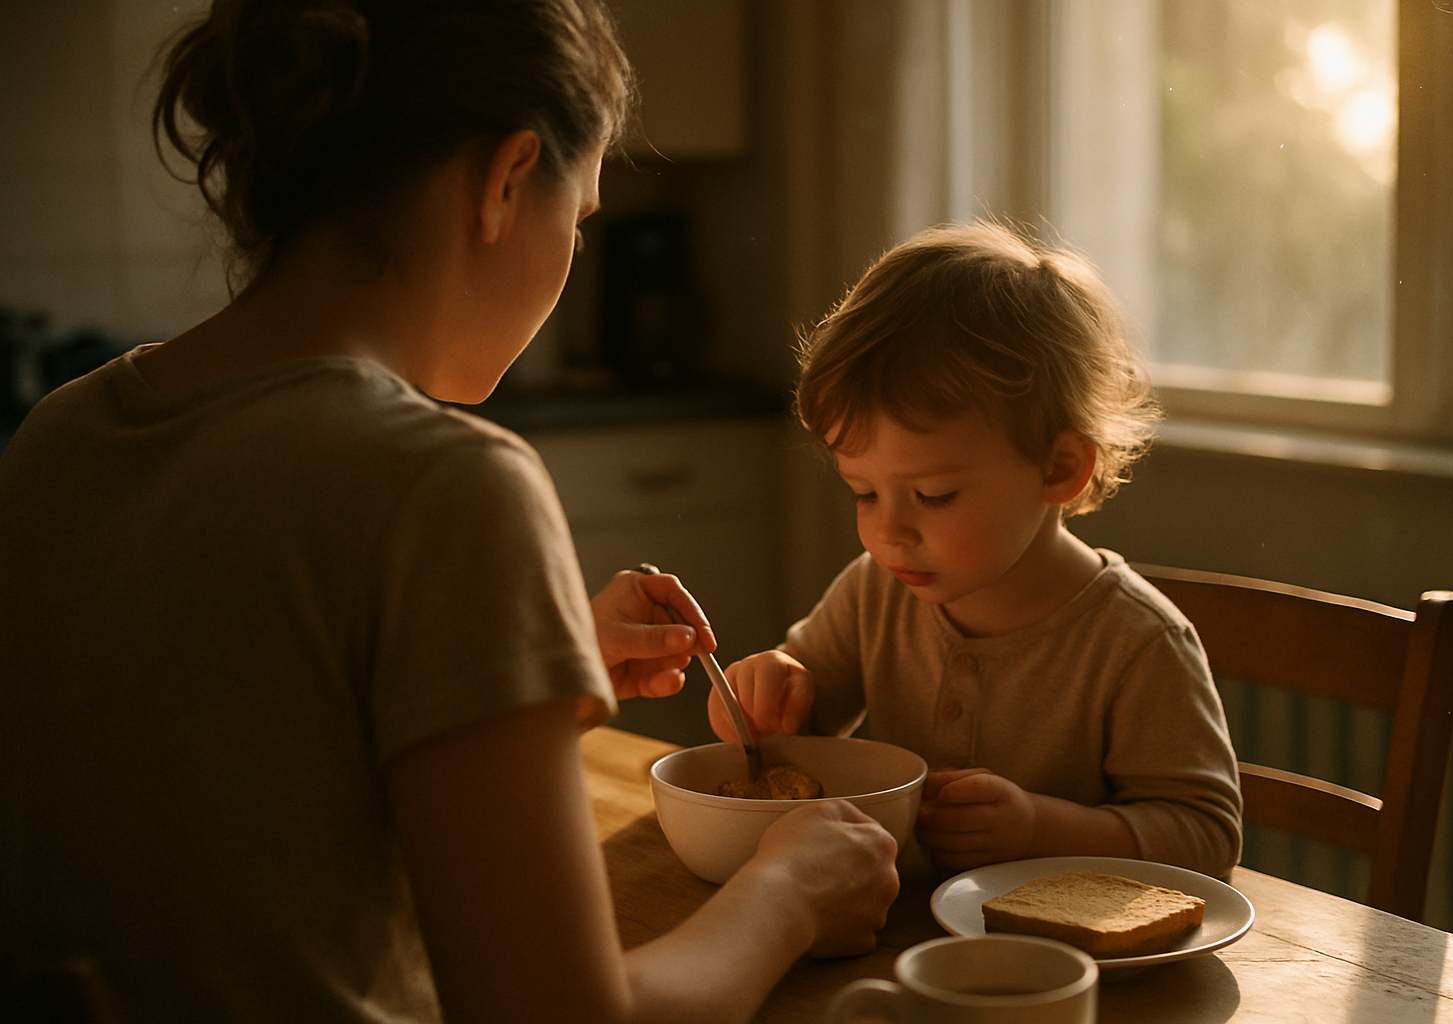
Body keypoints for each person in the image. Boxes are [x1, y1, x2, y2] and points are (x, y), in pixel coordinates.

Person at [0, 3, 900, 1023]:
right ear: (507, 180)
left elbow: (221, 800)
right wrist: (785, 891)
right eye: (584, 215)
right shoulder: (447, 486)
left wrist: (498, 670)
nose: (572, 252)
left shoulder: (56, 439)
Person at [709, 222, 1243, 880]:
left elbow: (1207, 837)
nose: (889, 533)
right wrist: (767, 694)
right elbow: (803, 724)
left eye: (933, 495)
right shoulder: (877, 591)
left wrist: (1039, 829)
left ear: (1059, 469)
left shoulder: (1136, 641)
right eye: (864, 493)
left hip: (1067, 967)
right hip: (904, 938)